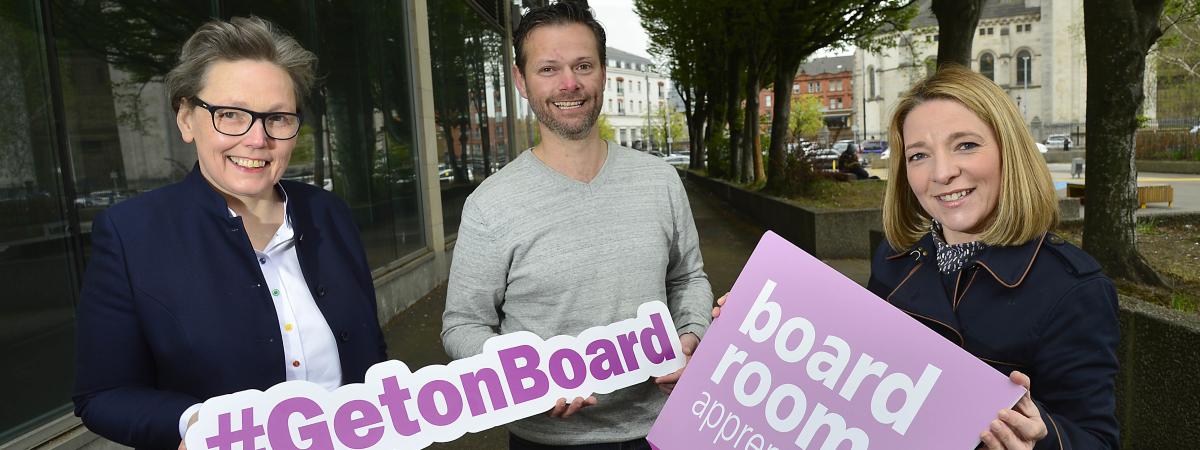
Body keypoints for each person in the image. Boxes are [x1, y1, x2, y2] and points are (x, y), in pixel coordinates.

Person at [715, 66, 1119, 450]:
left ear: (1009, 152)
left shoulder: (1073, 288)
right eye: (918, 155)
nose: (941, 173)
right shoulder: (894, 257)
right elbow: (848, 377)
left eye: (965, 145)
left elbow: (1096, 439)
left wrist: (1043, 438)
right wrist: (759, 338)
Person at [72, 17, 387, 450]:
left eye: (277, 117)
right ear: (186, 119)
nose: (257, 139)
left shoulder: (328, 213)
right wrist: (193, 422)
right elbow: (102, 395)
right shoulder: (132, 235)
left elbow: (369, 350)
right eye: (231, 115)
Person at [439, 2, 712, 449]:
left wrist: (689, 338)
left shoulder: (660, 179)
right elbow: (463, 326)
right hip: (547, 439)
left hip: (663, 428)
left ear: (602, 72)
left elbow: (687, 277)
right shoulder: (489, 206)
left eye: (583, 65)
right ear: (521, 81)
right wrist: (523, 382)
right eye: (549, 68)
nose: (569, 84)